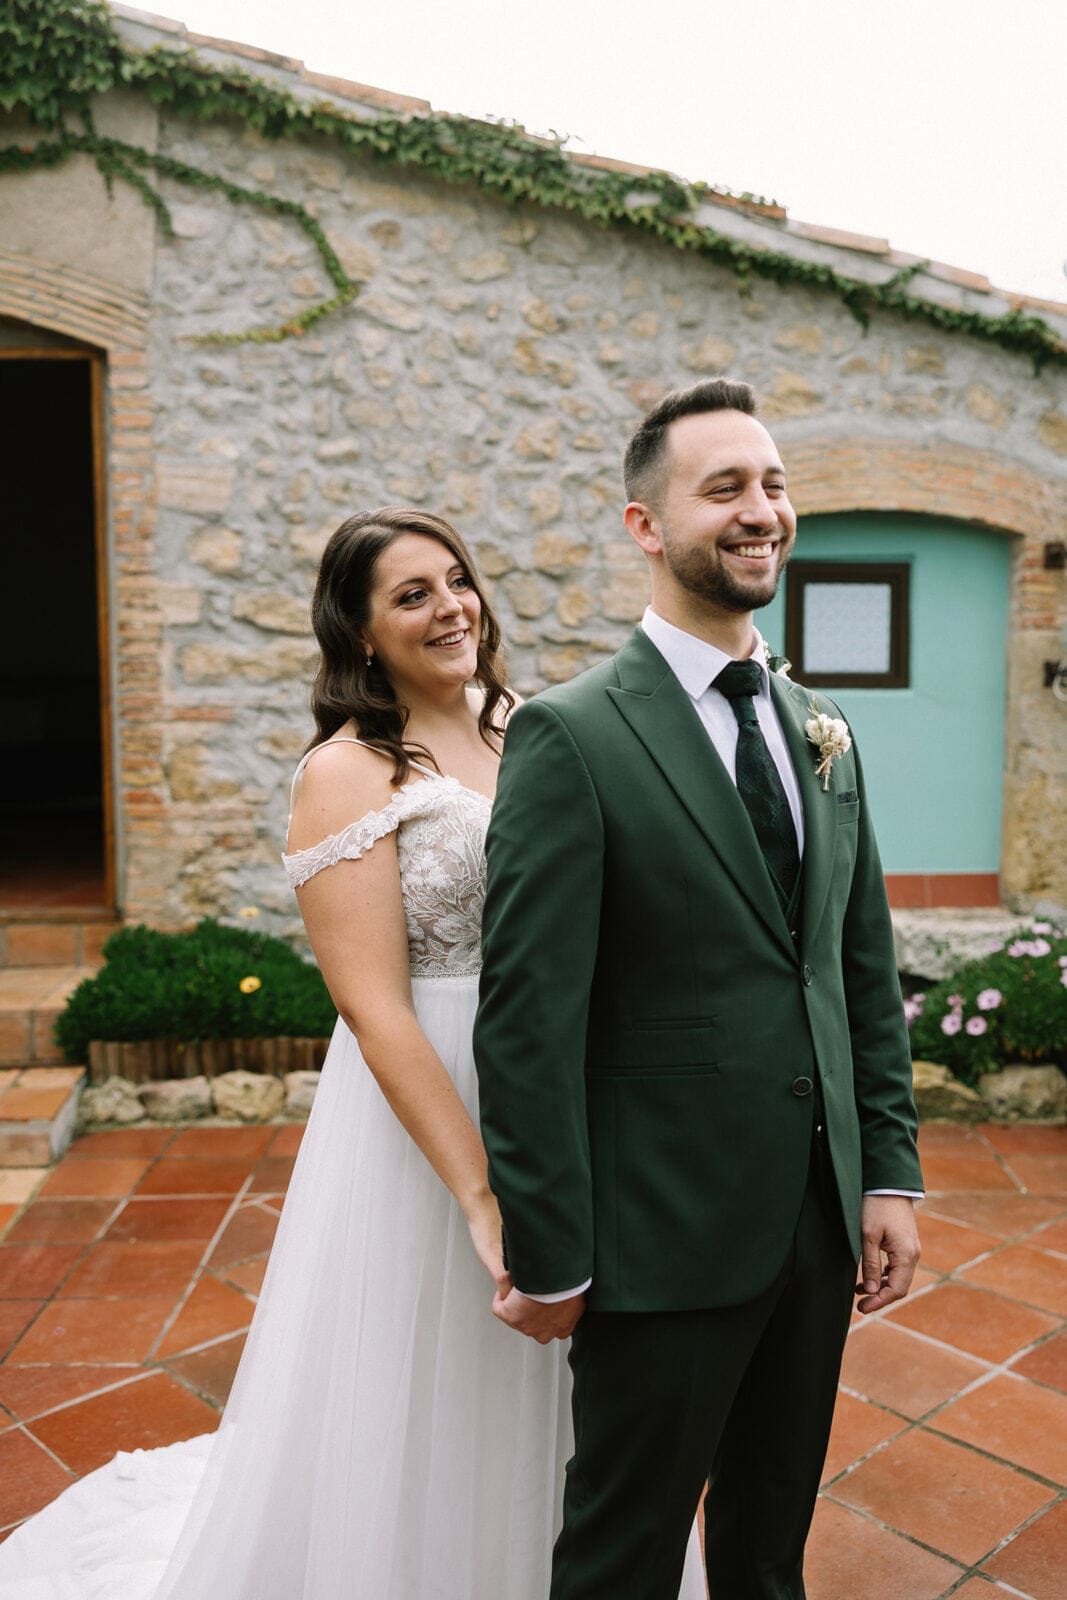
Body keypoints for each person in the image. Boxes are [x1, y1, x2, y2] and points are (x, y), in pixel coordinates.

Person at [0, 507, 706, 1599]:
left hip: (560, 1074)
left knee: (576, 1364)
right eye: (410, 595)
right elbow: (375, 1008)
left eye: (456, 579)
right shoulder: (344, 771)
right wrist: (479, 1189)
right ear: (361, 633)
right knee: (437, 1353)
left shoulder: (530, 724)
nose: (449, 607)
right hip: (434, 1093)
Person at [475, 380, 924, 1600]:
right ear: (642, 524)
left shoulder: (820, 723)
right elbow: (525, 1020)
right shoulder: (571, 736)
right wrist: (551, 1247)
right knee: (622, 1551)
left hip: (816, 1217)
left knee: (768, 1547)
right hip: (658, 1230)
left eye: (772, 484)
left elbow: (856, 965)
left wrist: (883, 1169)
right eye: (722, 487)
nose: (759, 510)